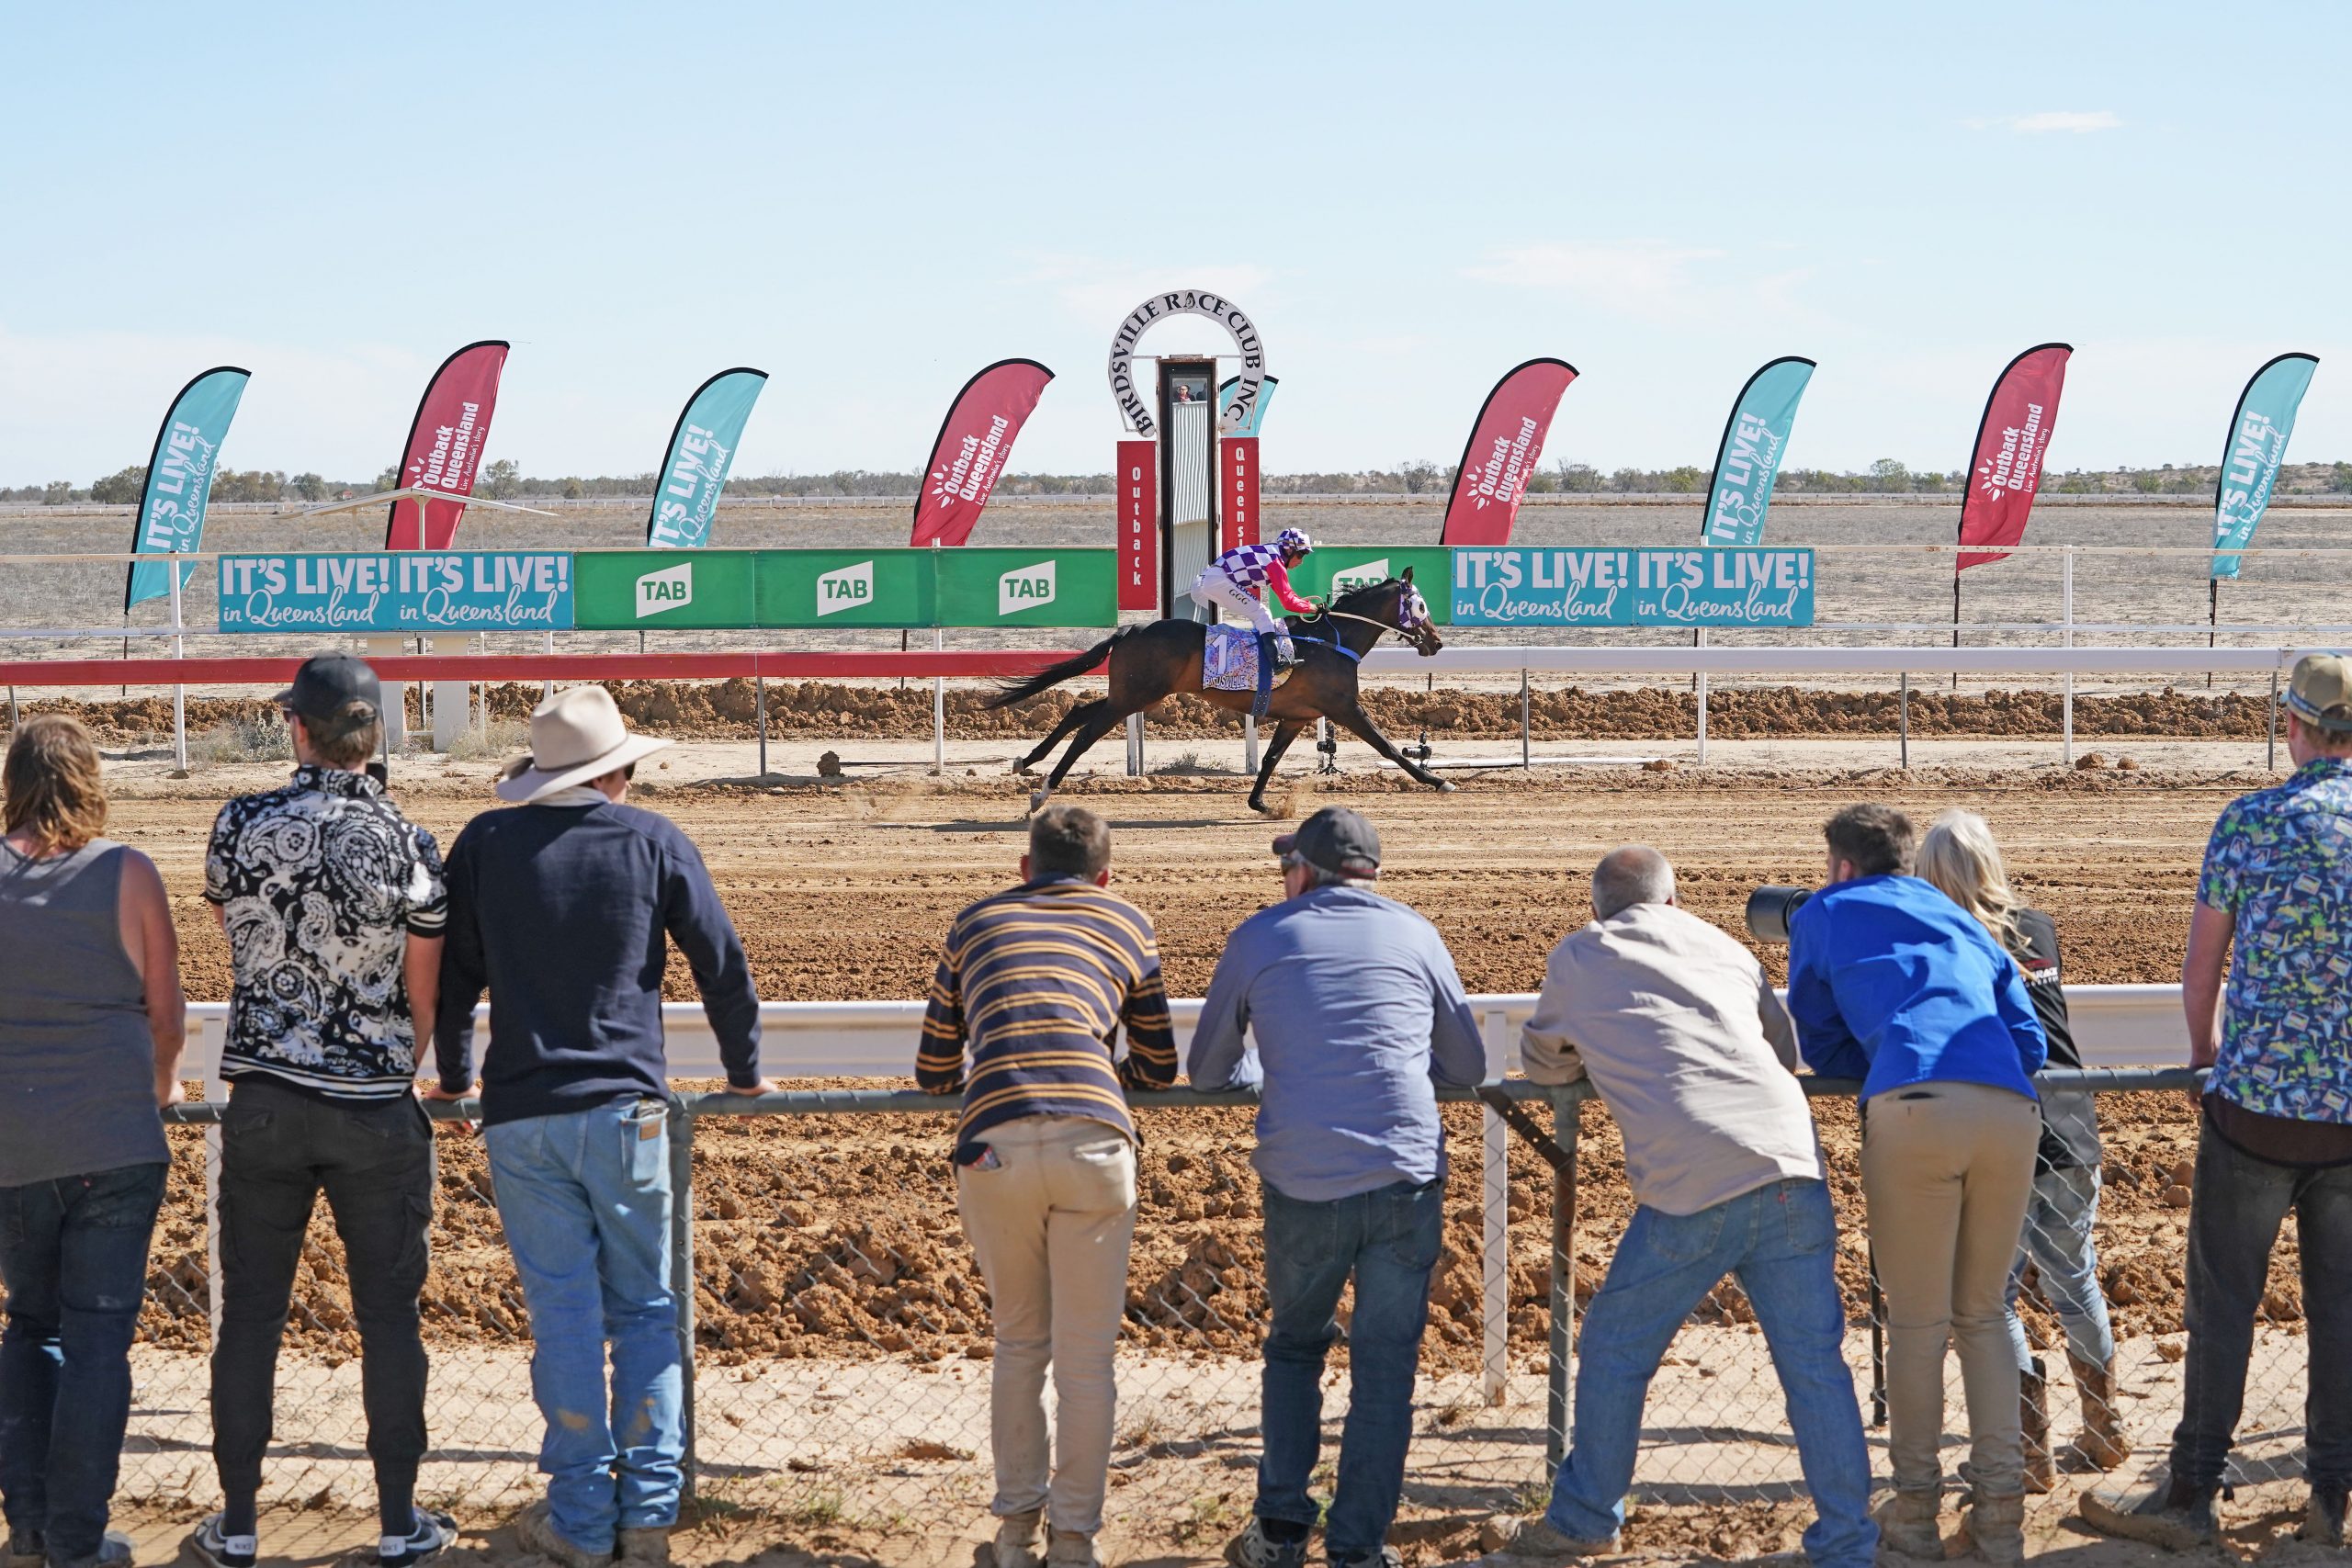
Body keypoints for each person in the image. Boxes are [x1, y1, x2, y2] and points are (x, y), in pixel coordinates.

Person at [432, 686, 775, 1568]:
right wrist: (742, 1070)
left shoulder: (486, 842)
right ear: (620, 767)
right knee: (649, 1310)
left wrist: (458, 1076)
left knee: (566, 1317)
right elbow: (722, 962)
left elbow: (456, 976)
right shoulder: (653, 839)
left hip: (523, 1115)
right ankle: (648, 1516)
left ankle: (580, 1520)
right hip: (630, 1112)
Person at [1479, 848, 1876, 1568]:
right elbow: (1781, 1050)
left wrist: (1592, 1054)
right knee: (1815, 1366)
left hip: (1692, 1181)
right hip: (1791, 1163)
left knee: (1615, 1348)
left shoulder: (1581, 953)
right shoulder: (1723, 944)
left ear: (1597, 907)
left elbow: (1542, 1061)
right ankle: (1849, 1540)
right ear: (1673, 899)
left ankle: (1586, 1516)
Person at [190, 654, 455, 1568]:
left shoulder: (239, 823)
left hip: (264, 1099)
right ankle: (395, 1523)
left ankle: (236, 1523)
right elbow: (426, 995)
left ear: (296, 729)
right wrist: (388, 1065)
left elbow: (236, 939)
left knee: (252, 1318)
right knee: (388, 1318)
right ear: (374, 733)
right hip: (374, 1107)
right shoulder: (414, 844)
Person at [2083, 653, 2352, 1551]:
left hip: (2255, 1115)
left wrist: (2204, 1060)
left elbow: (2203, 972)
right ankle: (2328, 1499)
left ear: (2294, 728)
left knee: (2223, 1306)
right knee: (2342, 1314)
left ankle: (2193, 1492)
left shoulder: (2249, 822)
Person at [1189, 807, 1484, 1568]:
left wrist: (1268, 1071)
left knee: (1295, 1347)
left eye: (1287, 866)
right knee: (1386, 1371)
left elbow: (1207, 1070)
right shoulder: (1417, 934)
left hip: (1306, 1178)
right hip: (1405, 1176)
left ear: (1306, 873)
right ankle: (1358, 1548)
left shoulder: (1261, 934)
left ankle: (1282, 1532)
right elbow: (1468, 1067)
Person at [916, 806, 1177, 1568]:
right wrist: (1105, 1082)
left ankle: (1013, 1534)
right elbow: (1158, 1064)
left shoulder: (974, 923)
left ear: (1024, 868)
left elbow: (934, 1069)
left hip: (994, 1144)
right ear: (1105, 875)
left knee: (1019, 1344)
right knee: (1088, 1361)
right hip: (1095, 1141)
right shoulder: (1129, 923)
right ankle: (1074, 1541)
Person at [1788, 804, 2047, 1565]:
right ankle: (2000, 1518)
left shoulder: (1825, 911)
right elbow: (2027, 1034)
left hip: (1914, 1106)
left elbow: (1817, 1024)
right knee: (1985, 1312)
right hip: (2009, 1110)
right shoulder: (1954, 912)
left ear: (1839, 863)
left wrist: (1879, 1061)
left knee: (1918, 1323)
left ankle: (1913, 1512)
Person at [0, 716, 184, 1568]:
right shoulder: (127, 871)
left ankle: (30, 1528)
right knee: (97, 1338)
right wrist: (155, 1091)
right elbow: (167, 1012)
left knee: (28, 1324)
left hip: (13, 1142)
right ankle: (78, 1539)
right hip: (113, 1137)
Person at [1917, 810, 2129, 1491]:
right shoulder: (2037, 927)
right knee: (2075, 1278)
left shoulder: (1948, 943)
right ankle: (2104, 1429)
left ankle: (2026, 1449)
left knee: (1990, 1296)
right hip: (2072, 1128)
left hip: (2000, 1134)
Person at [1188, 528, 1318, 667]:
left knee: (1260, 616)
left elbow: (1288, 595)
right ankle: (1275, 663)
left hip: (1209, 581)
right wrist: (1314, 608)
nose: (1301, 562)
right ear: (1289, 550)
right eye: (1301, 555)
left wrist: (1311, 606)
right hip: (1215, 581)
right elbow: (1288, 603)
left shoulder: (1273, 556)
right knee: (1262, 614)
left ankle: (1258, 658)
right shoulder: (1275, 563)